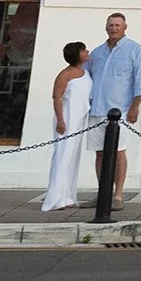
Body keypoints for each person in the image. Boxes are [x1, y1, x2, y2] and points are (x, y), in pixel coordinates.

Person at [85, 12, 141, 209]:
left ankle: (118, 195)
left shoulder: (135, 50)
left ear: (125, 27)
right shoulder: (96, 53)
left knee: (119, 152)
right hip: (96, 110)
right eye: (111, 25)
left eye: (117, 25)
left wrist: (134, 107)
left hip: (119, 111)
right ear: (106, 27)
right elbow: (86, 78)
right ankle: (102, 193)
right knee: (99, 154)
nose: (114, 28)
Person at [40, 41, 90, 213]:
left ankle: (68, 196)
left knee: (73, 158)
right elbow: (57, 97)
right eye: (83, 50)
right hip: (67, 118)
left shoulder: (85, 72)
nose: (87, 52)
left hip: (80, 119)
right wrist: (61, 120)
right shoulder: (65, 75)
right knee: (62, 156)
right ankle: (54, 198)